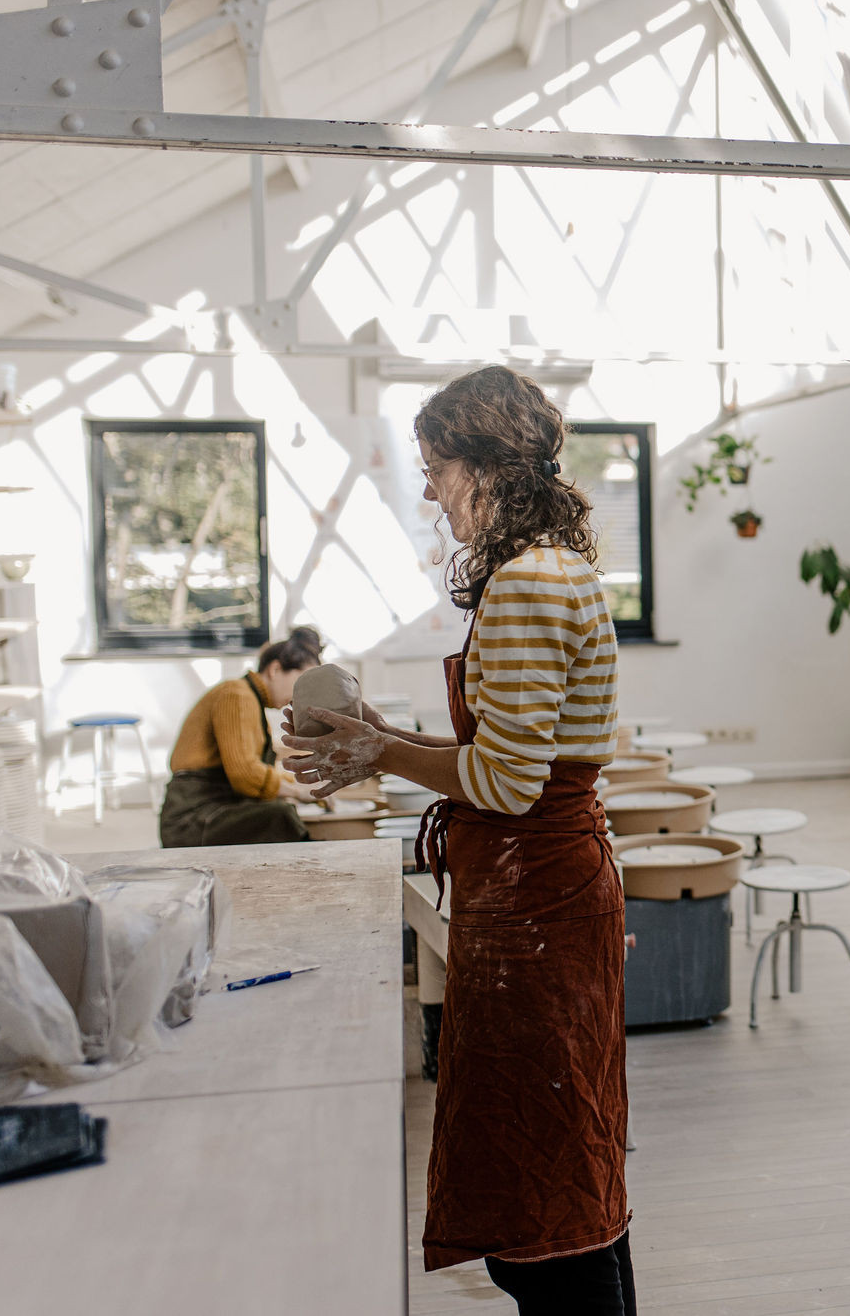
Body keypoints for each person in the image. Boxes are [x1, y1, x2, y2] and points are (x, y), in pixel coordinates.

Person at [281, 365, 630, 1315]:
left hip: (535, 904)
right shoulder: (559, 571)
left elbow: (506, 784)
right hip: (550, 885)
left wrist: (378, 748)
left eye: (436, 468)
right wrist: (377, 745)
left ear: (485, 467)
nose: (430, 491)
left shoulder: (525, 586)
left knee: (543, 1209)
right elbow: (516, 756)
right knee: (572, 1170)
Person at [158, 627, 321, 847]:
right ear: (275, 669)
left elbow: (256, 770)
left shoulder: (250, 699)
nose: (301, 696)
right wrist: (298, 792)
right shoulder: (236, 695)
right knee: (279, 814)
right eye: (301, 683)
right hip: (193, 819)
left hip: (216, 807)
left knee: (285, 812)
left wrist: (302, 785)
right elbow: (246, 775)